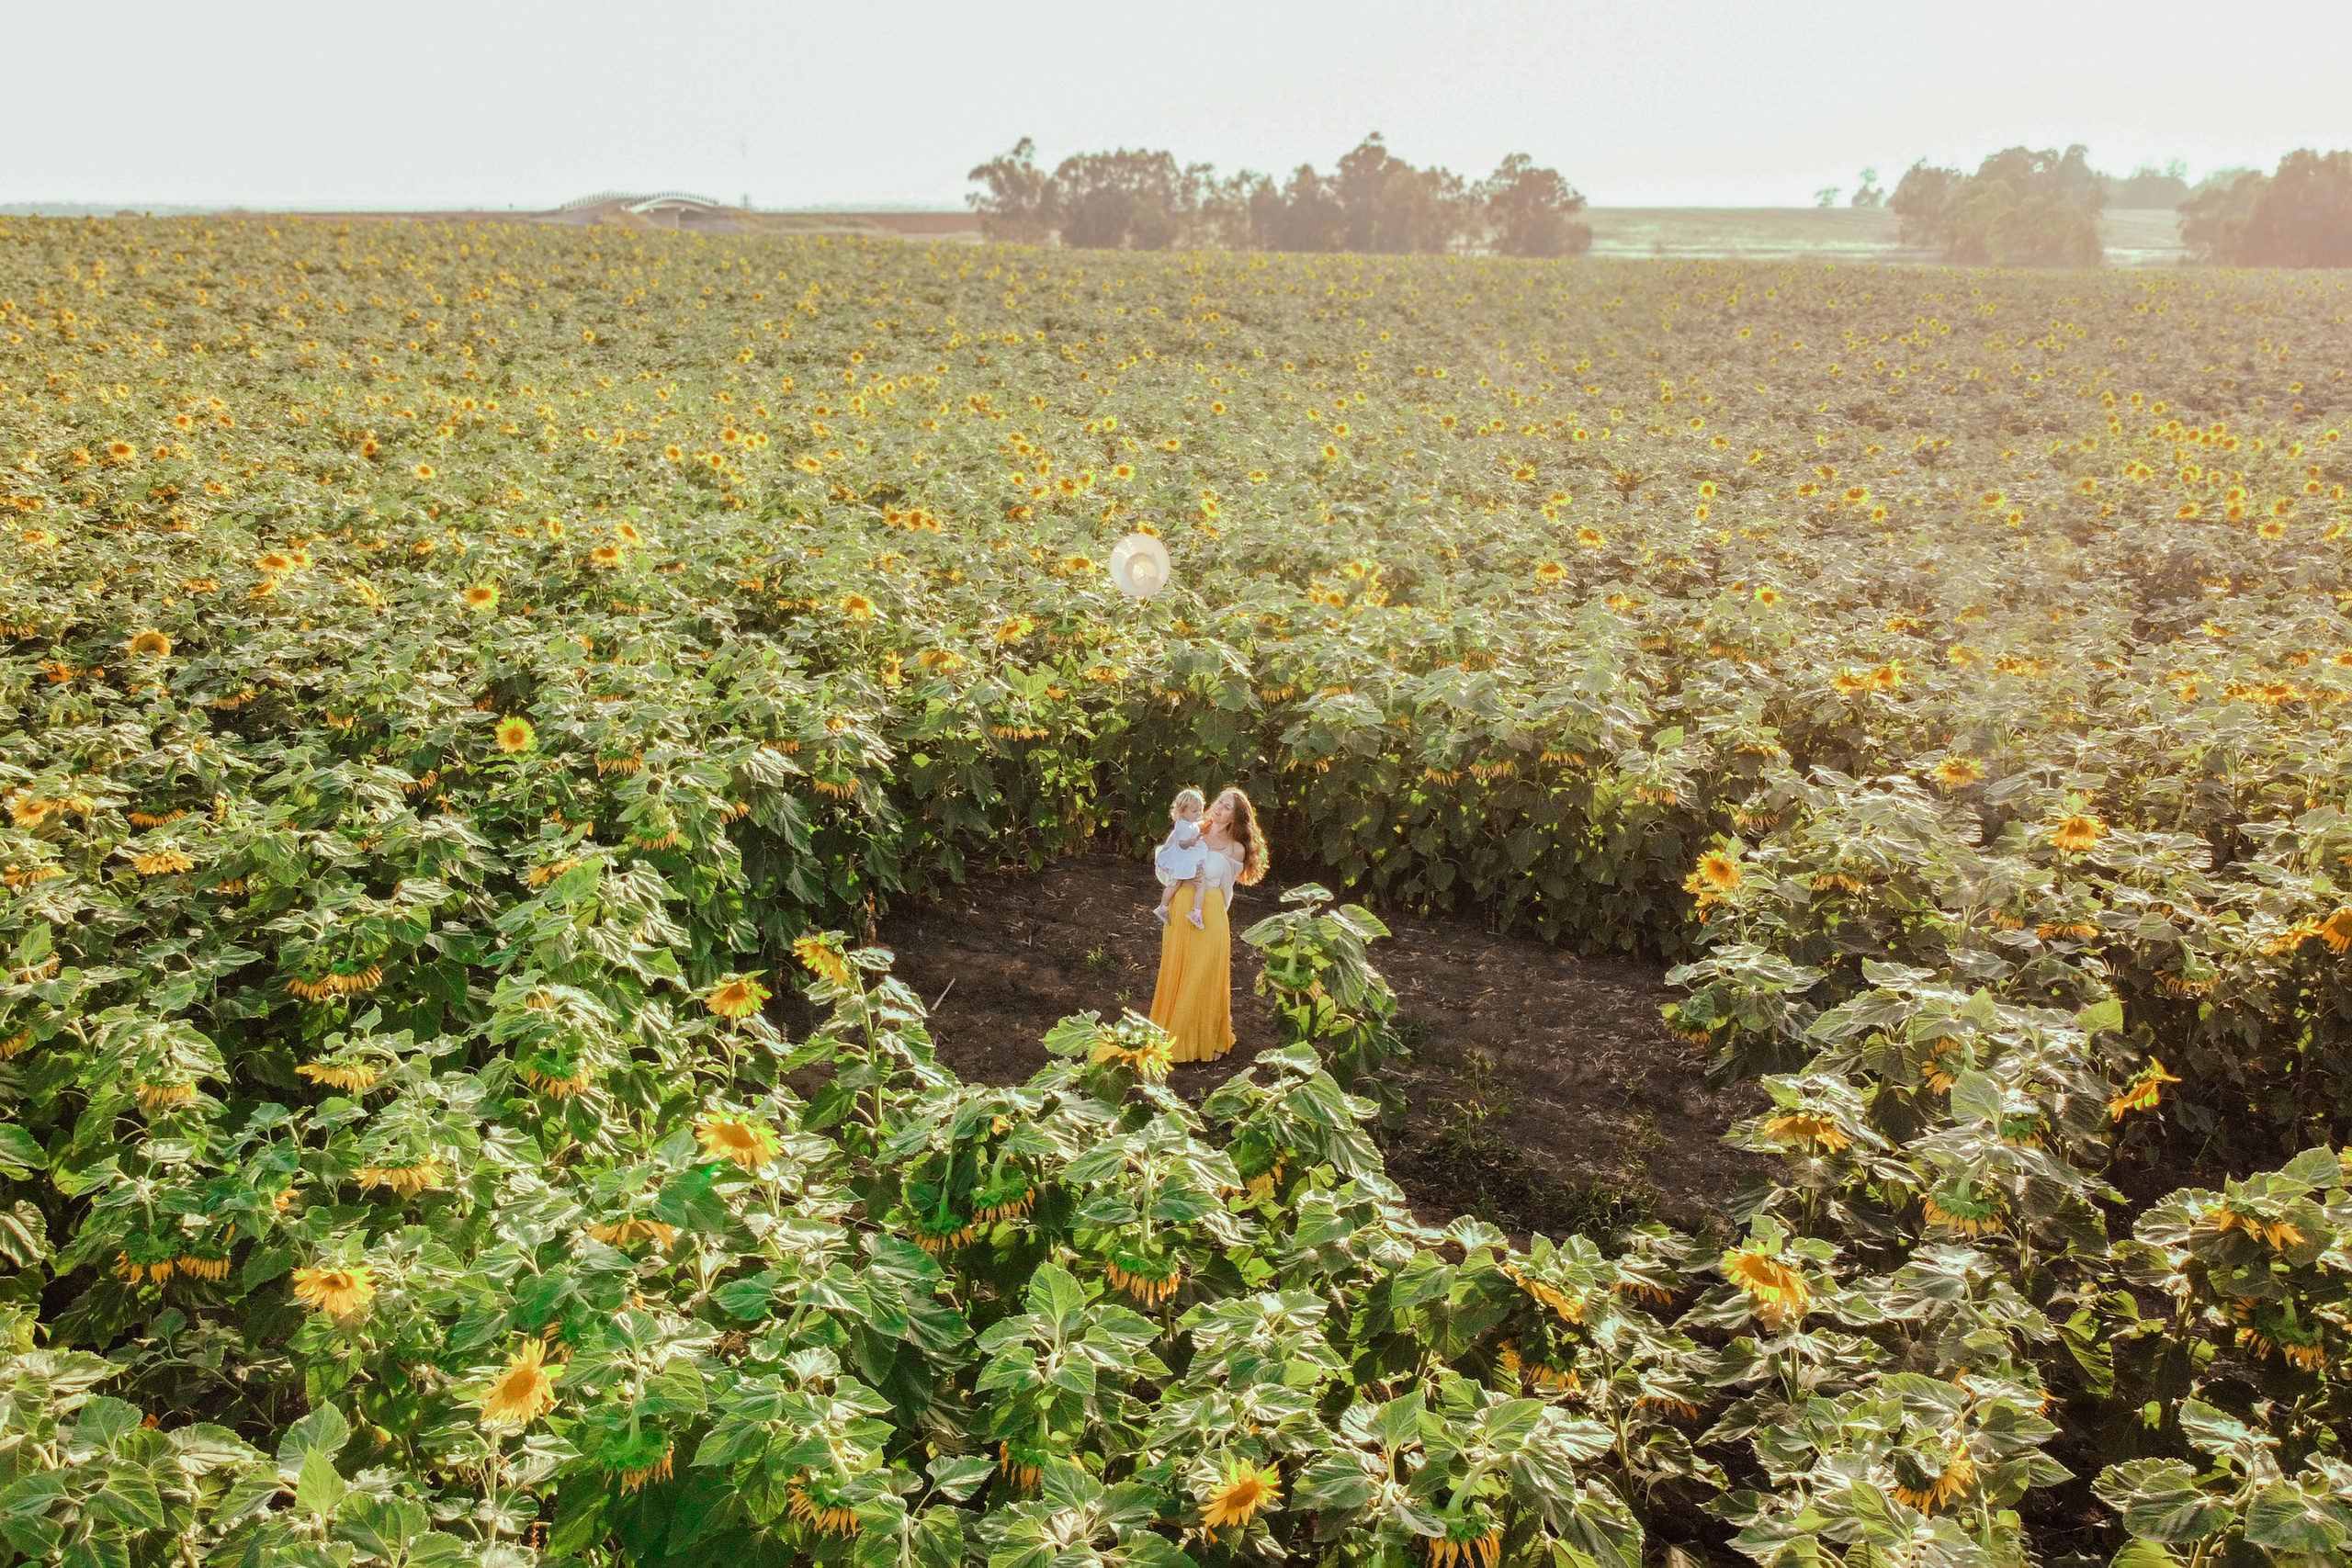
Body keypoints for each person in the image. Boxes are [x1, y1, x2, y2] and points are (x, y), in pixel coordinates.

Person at [1148, 785, 1269, 1064]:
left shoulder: (1235, 849)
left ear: (1234, 820)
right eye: (1220, 802)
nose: (1219, 808)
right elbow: (1164, 862)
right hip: (1180, 908)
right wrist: (1182, 882)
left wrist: (1209, 914)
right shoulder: (1190, 829)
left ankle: (1209, 1037)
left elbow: (1226, 891)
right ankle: (1174, 1036)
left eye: (1227, 807)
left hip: (1210, 912)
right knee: (1179, 971)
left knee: (1205, 975)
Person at [1154, 788, 1209, 929]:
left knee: (1175, 884)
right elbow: (1183, 844)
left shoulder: (1185, 823)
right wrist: (1190, 842)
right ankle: (1196, 912)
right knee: (1201, 884)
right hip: (1189, 860)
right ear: (1182, 811)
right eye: (1195, 811)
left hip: (1181, 860)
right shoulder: (1185, 826)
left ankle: (1163, 906)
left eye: (1200, 810)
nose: (1199, 813)